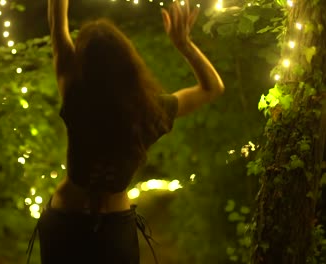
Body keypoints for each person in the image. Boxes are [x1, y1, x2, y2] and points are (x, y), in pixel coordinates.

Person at [27, 0, 224, 263]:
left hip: (65, 219)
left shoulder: (76, 93)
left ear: (83, 63)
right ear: (129, 63)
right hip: (114, 229)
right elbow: (213, 88)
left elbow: (58, 28)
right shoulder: (151, 111)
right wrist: (184, 44)